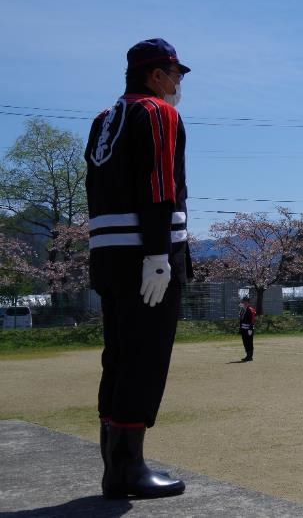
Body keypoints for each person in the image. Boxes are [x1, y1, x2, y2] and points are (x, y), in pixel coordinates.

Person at [86, 37, 191, 498]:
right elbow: (159, 187)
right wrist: (157, 255)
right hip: (146, 257)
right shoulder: (156, 112)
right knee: (146, 359)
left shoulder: (103, 118)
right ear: (155, 75)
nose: (178, 83)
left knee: (119, 356)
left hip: (108, 255)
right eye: (176, 74)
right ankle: (129, 468)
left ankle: (115, 466)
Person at [238, 296, 256, 362]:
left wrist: (251, 328)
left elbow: (253, 319)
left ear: (248, 302)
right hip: (243, 329)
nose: (243, 302)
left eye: (245, 301)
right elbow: (241, 320)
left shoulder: (251, 309)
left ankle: (250, 356)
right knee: (245, 342)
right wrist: (240, 328)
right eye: (243, 301)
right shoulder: (242, 309)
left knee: (249, 342)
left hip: (249, 329)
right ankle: (247, 355)